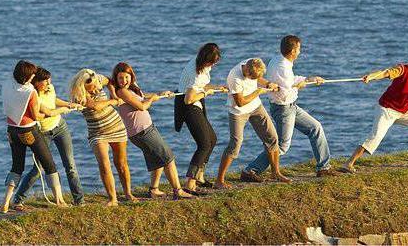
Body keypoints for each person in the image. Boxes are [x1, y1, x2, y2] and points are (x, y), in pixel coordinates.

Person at [243, 35, 339, 181]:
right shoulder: (282, 66)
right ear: (293, 50)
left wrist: (308, 79)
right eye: (299, 49)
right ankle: (250, 170)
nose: (300, 51)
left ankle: (323, 168)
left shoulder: (280, 60)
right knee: (281, 146)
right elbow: (283, 92)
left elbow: (289, 81)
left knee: (316, 128)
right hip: (283, 109)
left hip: (291, 106)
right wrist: (299, 87)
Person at [111, 62, 194, 200]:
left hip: (147, 128)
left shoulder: (132, 88)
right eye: (120, 78)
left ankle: (154, 190)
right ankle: (177, 191)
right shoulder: (121, 92)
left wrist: (159, 94)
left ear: (131, 76)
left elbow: (141, 98)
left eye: (126, 77)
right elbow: (142, 106)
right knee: (168, 157)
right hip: (141, 132)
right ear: (116, 78)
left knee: (158, 159)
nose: (124, 81)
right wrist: (153, 99)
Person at [342, 49, 408, 173]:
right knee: (375, 137)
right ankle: (348, 163)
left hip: (404, 111)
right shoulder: (403, 69)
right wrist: (371, 76)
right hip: (387, 109)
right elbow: (385, 73)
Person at [13, 67, 85, 208]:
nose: (48, 82)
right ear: (36, 82)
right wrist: (65, 110)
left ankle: (79, 200)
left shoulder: (49, 88)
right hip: (43, 133)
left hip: (60, 128)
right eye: (45, 81)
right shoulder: (33, 96)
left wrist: (69, 104)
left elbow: (53, 100)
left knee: (70, 165)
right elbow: (49, 112)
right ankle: (18, 199)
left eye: (48, 79)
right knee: (38, 169)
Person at [2, 60, 68, 213]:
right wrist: (56, 111)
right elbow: (37, 116)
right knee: (49, 165)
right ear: (28, 77)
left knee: (17, 167)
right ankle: (59, 200)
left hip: (12, 130)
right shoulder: (30, 92)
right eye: (32, 75)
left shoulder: (8, 84)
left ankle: (5, 202)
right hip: (28, 131)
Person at [215, 58, 289, 189]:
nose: (255, 80)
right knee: (235, 144)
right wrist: (258, 92)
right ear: (247, 72)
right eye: (252, 78)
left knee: (272, 138)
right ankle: (219, 181)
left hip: (256, 107)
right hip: (238, 112)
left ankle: (275, 173)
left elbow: (258, 78)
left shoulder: (252, 63)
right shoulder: (235, 77)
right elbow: (240, 102)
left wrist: (267, 84)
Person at [70, 68, 136, 206]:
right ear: (83, 85)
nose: (95, 88)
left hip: (116, 126)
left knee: (121, 163)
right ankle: (113, 199)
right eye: (91, 87)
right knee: (105, 164)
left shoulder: (97, 79)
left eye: (95, 85)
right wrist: (112, 101)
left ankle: (128, 193)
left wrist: (112, 93)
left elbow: (110, 81)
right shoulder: (78, 95)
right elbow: (95, 106)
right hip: (97, 133)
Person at [175, 43, 227, 194]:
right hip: (189, 107)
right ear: (206, 60)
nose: (214, 64)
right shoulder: (196, 73)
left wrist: (215, 87)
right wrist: (206, 93)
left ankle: (199, 177)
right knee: (204, 144)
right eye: (213, 61)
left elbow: (201, 85)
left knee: (212, 139)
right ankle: (189, 183)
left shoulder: (200, 63)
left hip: (195, 103)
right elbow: (188, 99)